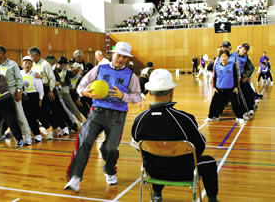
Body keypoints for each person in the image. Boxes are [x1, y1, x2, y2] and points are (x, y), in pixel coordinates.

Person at [131, 69, 219, 202]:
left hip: (154, 172)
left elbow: (139, 147)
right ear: (171, 92)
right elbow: (199, 148)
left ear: (149, 92)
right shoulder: (184, 119)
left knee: (153, 156)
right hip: (184, 172)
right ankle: (213, 200)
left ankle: (156, 195)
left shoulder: (139, 120)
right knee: (210, 162)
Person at [64, 42, 141, 191]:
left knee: (110, 149)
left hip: (117, 115)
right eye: (119, 55)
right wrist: (83, 92)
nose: (121, 59)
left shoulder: (131, 76)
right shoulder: (100, 68)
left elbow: (137, 97)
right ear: (113, 54)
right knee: (85, 140)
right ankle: (75, 177)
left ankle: (110, 170)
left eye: (125, 57)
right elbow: (82, 85)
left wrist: (123, 96)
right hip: (97, 111)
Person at [0, 45, 32, 145]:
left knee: (19, 115)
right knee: (0, 114)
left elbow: (19, 79)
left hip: (13, 91)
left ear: (0, 54)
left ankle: (27, 137)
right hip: (2, 93)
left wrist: (18, 91)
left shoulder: (12, 64)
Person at [28, 47, 66, 138]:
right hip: (38, 90)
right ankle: (55, 127)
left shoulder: (45, 64)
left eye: (31, 56)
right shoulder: (32, 64)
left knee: (54, 110)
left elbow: (52, 78)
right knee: (43, 111)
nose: (30, 58)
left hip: (47, 89)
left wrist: (51, 90)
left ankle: (63, 127)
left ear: (38, 55)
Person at [205, 50, 245, 123]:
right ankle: (211, 116)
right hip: (219, 89)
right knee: (214, 103)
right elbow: (214, 77)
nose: (223, 58)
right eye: (222, 56)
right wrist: (214, 87)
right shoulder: (216, 66)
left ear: (228, 57)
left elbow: (235, 76)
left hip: (231, 89)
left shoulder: (232, 65)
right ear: (220, 57)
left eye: (225, 56)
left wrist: (236, 86)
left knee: (235, 103)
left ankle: (240, 117)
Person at [20, 56, 44, 142]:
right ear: (22, 64)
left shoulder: (35, 74)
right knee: (23, 117)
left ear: (32, 65)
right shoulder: (19, 73)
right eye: (25, 63)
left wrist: (40, 99)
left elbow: (40, 87)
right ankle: (25, 134)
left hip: (33, 97)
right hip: (22, 97)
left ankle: (37, 134)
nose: (27, 65)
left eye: (29, 63)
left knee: (33, 117)